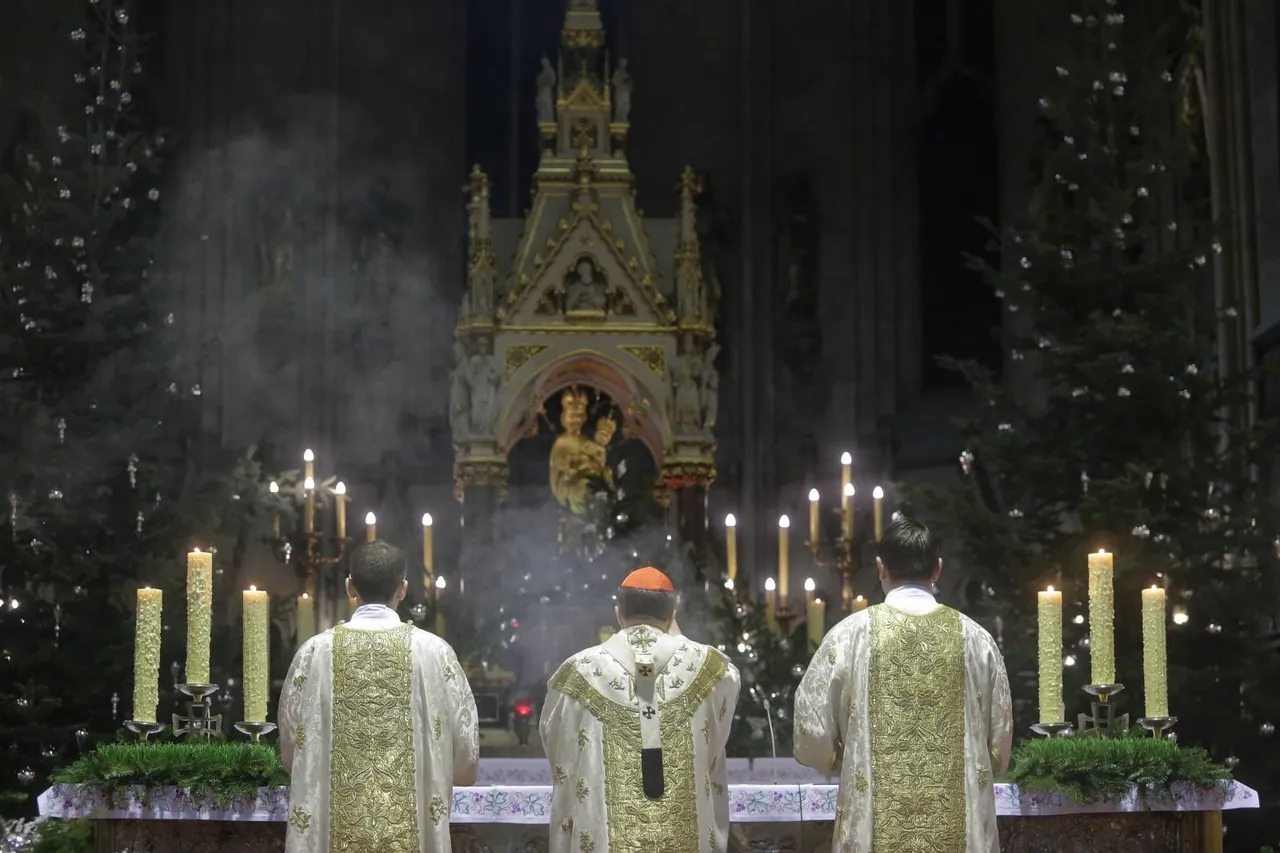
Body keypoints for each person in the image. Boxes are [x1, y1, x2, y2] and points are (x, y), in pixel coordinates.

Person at [793, 516, 1012, 852]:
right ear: (937, 569)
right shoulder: (975, 639)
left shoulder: (849, 635)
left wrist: (846, 759)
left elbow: (811, 726)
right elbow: (998, 740)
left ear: (880, 568)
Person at [280, 540, 479, 853]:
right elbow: (465, 745)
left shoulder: (314, 653)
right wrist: (449, 776)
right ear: (402, 589)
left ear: (350, 587)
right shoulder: (434, 652)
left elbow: (294, 746)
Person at [540, 567, 740, 853]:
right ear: (672, 615)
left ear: (618, 613)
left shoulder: (576, 674)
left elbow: (560, 753)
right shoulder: (715, 670)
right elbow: (715, 743)